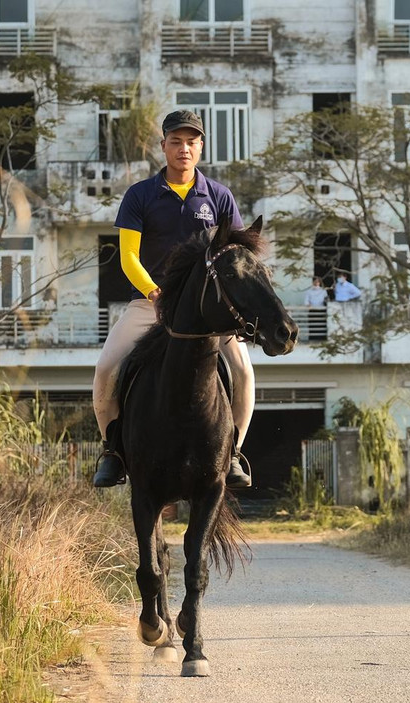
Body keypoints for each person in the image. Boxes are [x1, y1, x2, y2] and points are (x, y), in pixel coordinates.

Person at [90, 109, 255, 489]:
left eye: (191, 142)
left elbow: (237, 258)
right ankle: (113, 453)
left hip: (207, 311)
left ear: (201, 147)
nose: (184, 149)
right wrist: (154, 292)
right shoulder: (140, 195)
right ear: (163, 146)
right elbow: (128, 256)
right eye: (176, 141)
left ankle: (233, 454)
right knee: (105, 370)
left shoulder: (219, 197)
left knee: (244, 373)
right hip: (150, 304)